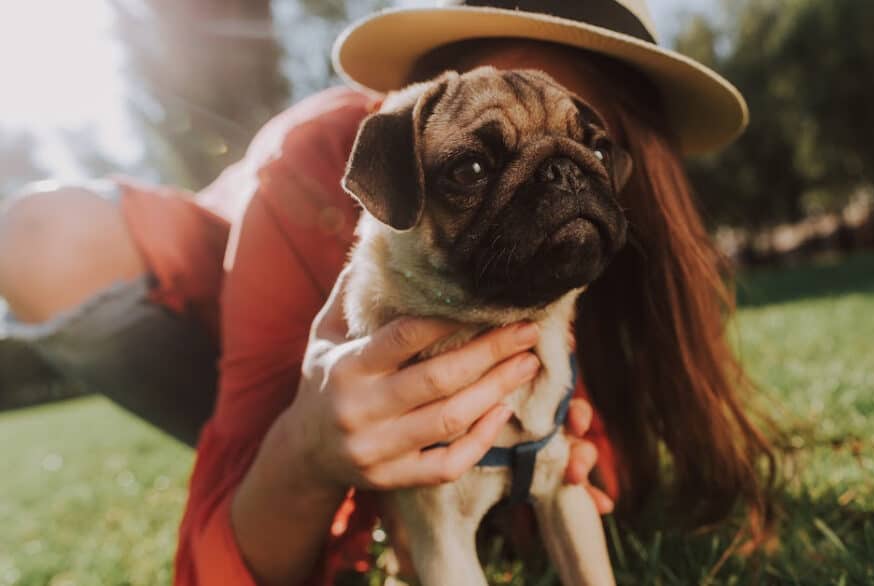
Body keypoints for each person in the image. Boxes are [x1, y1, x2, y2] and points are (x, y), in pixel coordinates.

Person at [0, 1, 775, 584]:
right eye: (476, 166)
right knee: (38, 236)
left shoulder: (620, 248)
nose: (557, 182)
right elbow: (217, 552)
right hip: (209, 287)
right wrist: (305, 448)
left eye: (587, 149)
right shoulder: (307, 171)